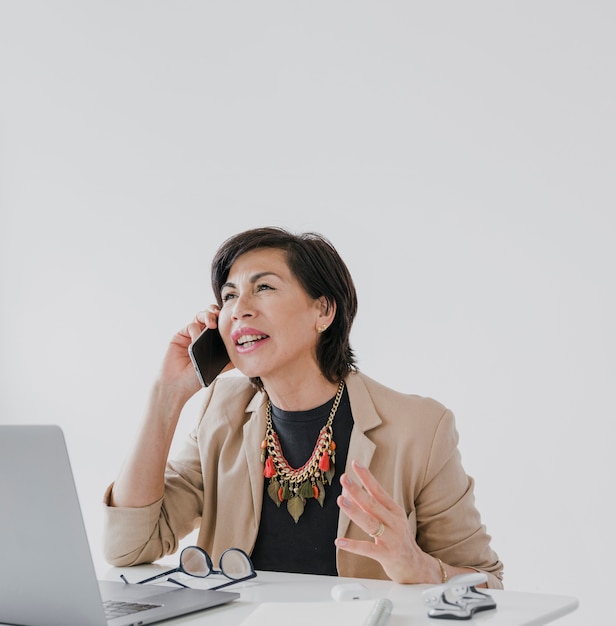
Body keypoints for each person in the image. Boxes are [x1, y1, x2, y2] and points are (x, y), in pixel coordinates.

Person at [103, 226, 504, 588]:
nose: (240, 307)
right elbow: (128, 548)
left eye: (264, 288)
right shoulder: (219, 412)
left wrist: (423, 568)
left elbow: (487, 580)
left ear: (324, 311)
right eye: (228, 295)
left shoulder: (420, 427)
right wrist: (166, 395)